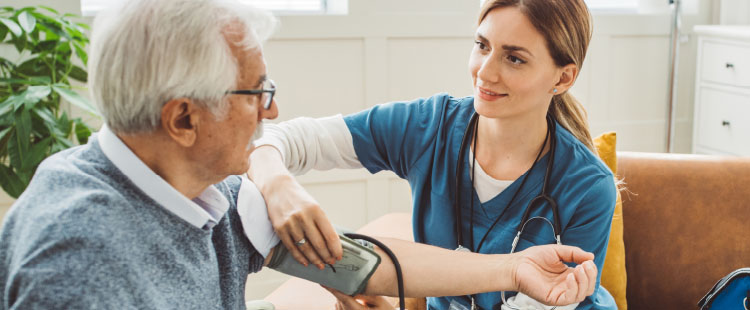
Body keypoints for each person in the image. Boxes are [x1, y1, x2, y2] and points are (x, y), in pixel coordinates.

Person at [0, 0, 601, 308]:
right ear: (183, 118)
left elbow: (356, 262)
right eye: (257, 93)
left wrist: (512, 269)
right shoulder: (76, 265)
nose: (272, 113)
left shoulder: (207, 196)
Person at [248, 0, 618, 309]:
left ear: (563, 78)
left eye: (514, 59)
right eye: (482, 45)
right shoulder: (430, 127)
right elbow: (278, 139)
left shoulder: (588, 188)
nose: (484, 73)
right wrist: (278, 184)